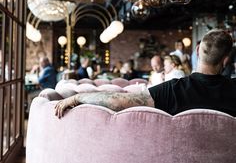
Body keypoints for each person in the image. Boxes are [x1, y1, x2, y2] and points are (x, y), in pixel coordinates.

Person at [55, 29, 236, 118]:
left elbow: (118, 101)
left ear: (197, 50)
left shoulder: (173, 89)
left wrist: (77, 98)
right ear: (226, 59)